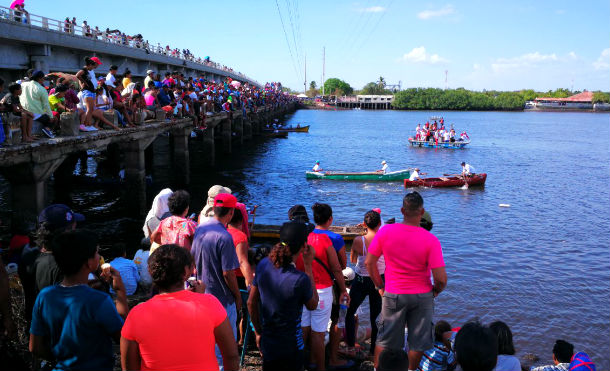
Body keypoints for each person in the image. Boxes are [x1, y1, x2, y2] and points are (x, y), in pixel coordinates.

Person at [120, 244, 239, 371]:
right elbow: (231, 356)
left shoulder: (137, 314)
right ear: (186, 272)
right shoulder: (210, 304)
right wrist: (200, 300)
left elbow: (129, 366)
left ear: (150, 272)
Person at [366, 191, 447, 370]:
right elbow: (441, 279)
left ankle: (378, 369)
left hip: (393, 293)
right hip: (422, 295)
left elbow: (369, 262)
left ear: (403, 210)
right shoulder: (431, 240)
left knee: (385, 338)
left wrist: (379, 286)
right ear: (421, 211)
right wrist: (435, 291)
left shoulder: (386, 231)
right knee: (418, 342)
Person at [29, 230, 128, 371]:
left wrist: (64, 360)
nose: (99, 256)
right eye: (96, 253)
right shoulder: (99, 300)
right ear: (88, 263)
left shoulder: (44, 296)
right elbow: (124, 337)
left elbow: (35, 347)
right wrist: (119, 290)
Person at [248, 221, 319, 371]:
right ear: (304, 246)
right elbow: (313, 305)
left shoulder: (263, 266)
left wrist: (258, 332)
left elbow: (250, 302)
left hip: (269, 342)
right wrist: (308, 266)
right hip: (291, 346)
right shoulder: (300, 279)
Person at [191, 193, 241, 371]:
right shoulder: (225, 237)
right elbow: (228, 273)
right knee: (224, 348)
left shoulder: (200, 228)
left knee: (207, 343)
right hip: (222, 299)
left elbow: (193, 260)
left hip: (202, 295)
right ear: (231, 213)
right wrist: (237, 296)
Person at [295, 211, 350, 371]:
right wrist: (342, 290)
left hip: (302, 288)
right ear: (330, 219)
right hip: (322, 290)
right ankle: (319, 367)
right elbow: (337, 268)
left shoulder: (299, 241)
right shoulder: (325, 239)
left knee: (303, 327)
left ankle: (303, 363)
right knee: (318, 332)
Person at [310, 202, 352, 369]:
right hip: (331, 285)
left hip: (310, 285)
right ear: (330, 219)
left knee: (312, 324)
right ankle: (333, 358)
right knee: (337, 319)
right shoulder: (334, 238)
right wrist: (343, 289)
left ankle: (312, 358)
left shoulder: (307, 235)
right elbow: (342, 265)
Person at [345, 210, 384, 359]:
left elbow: (354, 260)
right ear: (380, 223)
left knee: (350, 312)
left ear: (365, 224)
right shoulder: (384, 240)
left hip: (361, 279)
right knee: (375, 317)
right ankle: (373, 351)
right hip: (379, 280)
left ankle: (350, 346)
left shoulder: (358, 240)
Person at [227, 208, 254, 346]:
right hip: (237, 277)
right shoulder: (240, 236)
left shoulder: (221, 233)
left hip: (223, 277)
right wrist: (251, 282)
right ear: (241, 221)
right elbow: (242, 262)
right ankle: (242, 340)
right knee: (243, 310)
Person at [19, 70, 55, 138]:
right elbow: (46, 105)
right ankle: (47, 130)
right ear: (39, 78)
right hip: (35, 113)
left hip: (24, 111)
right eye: (43, 78)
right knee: (52, 118)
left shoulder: (22, 84)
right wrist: (51, 116)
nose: (44, 80)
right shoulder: (41, 89)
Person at [75, 57, 103, 131]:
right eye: (93, 66)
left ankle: (88, 124)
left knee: (91, 109)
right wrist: (84, 83)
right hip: (87, 91)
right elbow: (77, 75)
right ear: (90, 65)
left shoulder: (89, 70)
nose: (94, 67)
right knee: (89, 109)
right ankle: (85, 125)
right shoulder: (84, 70)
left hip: (91, 91)